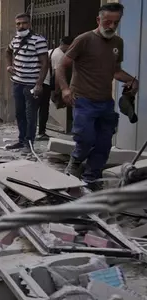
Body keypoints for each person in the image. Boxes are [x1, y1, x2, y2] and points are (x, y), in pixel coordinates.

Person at [58, 3, 138, 190]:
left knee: (103, 145)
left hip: (106, 103)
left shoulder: (118, 43)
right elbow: (62, 65)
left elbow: (116, 71)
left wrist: (133, 81)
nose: (111, 26)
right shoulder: (83, 40)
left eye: (115, 23)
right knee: (85, 139)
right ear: (98, 20)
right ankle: (76, 160)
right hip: (83, 100)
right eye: (107, 22)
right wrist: (64, 89)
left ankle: (91, 179)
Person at [5, 13, 49, 153]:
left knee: (31, 115)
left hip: (31, 84)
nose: (20, 26)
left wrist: (39, 84)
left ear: (29, 24)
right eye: (18, 24)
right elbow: (8, 51)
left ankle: (29, 143)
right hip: (17, 82)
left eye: (23, 23)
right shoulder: (16, 39)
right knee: (19, 113)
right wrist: (9, 65)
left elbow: (45, 63)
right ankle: (21, 140)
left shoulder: (39, 40)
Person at [37, 36, 73, 141]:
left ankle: (36, 131)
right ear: (68, 46)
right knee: (44, 109)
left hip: (39, 81)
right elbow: (58, 75)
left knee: (37, 107)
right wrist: (57, 91)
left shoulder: (51, 51)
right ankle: (41, 132)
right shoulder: (60, 55)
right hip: (45, 83)